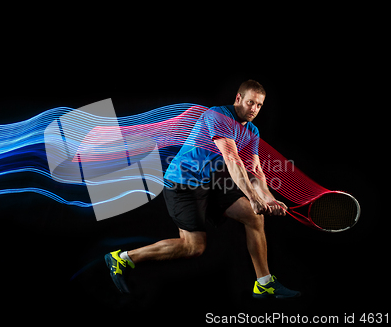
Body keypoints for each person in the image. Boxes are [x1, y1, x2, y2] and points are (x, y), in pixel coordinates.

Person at [104, 79, 300, 299]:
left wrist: (269, 199)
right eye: (250, 103)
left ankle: (264, 283)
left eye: (259, 105)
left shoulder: (252, 131)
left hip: (208, 182)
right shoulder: (218, 116)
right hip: (182, 182)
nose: (254, 109)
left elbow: (255, 172)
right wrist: (254, 198)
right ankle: (123, 258)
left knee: (254, 218)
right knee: (193, 247)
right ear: (238, 99)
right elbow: (232, 159)